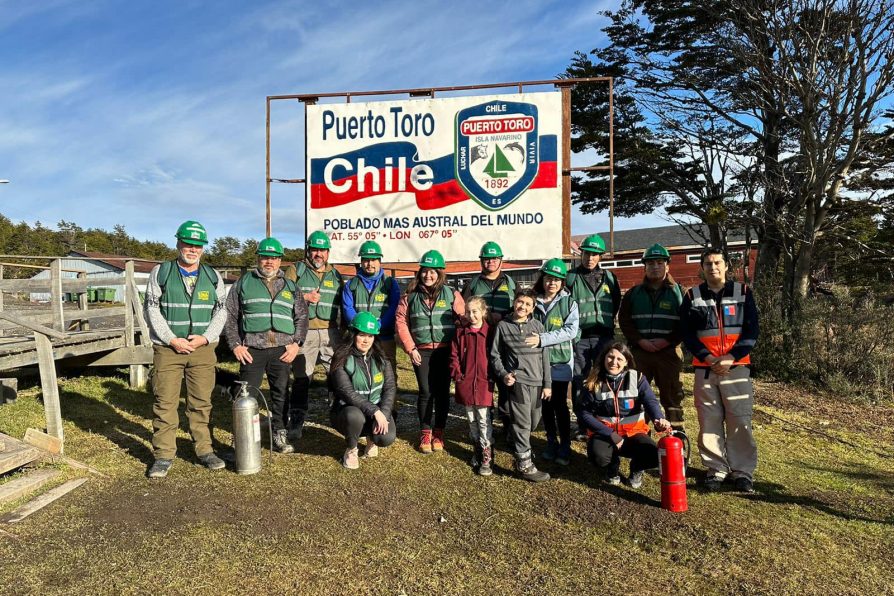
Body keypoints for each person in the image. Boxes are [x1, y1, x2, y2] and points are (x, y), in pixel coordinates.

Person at [144, 220, 228, 479]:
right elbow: (152, 309)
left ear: (203, 248)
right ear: (178, 243)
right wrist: (171, 339)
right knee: (165, 402)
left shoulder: (213, 276)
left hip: (202, 349)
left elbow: (221, 310)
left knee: (201, 402)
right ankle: (163, 455)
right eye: (188, 244)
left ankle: (204, 449)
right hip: (168, 349)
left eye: (197, 246)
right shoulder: (162, 272)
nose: (192, 249)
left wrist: (205, 337)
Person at [680, 248, 759, 493]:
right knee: (709, 421)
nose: (712, 267)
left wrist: (730, 357)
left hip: (735, 368)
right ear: (702, 268)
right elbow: (687, 334)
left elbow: (751, 331)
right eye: (707, 263)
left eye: (717, 263)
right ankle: (715, 469)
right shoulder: (692, 296)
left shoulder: (743, 292)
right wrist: (709, 357)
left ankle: (742, 472)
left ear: (726, 266)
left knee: (739, 420)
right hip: (705, 370)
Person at [224, 237, 309, 453]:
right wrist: (235, 345)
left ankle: (279, 433)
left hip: (282, 350)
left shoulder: (291, 287)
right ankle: (243, 437)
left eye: (274, 258)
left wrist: (296, 344)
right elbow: (230, 315)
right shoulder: (243, 283)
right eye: (265, 257)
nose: (269, 262)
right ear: (258, 259)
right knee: (246, 393)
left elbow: (302, 317)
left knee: (281, 393)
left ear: (280, 260)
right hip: (252, 349)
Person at [396, 250, 465, 454]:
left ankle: (439, 433)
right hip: (421, 352)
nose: (428, 276)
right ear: (420, 273)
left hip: (445, 352)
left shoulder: (452, 294)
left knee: (443, 393)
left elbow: (462, 318)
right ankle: (425, 432)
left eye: (433, 272)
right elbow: (401, 322)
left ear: (440, 273)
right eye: (425, 271)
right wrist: (411, 348)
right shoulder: (410, 296)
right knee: (426, 392)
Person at [577, 341, 671, 488]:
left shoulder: (637, 378)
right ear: (604, 358)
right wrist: (610, 434)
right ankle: (612, 467)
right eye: (610, 357)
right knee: (599, 457)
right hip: (605, 434)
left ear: (626, 361)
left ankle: (637, 469)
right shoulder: (593, 381)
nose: (614, 362)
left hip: (634, 433)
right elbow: (584, 413)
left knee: (653, 454)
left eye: (619, 359)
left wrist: (659, 418)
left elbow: (650, 401)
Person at [618, 243, 686, 431]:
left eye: (659, 262)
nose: (655, 266)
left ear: (667, 265)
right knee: (635, 395)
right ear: (645, 267)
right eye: (650, 263)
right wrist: (640, 341)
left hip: (669, 353)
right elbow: (624, 321)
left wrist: (668, 341)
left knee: (672, 397)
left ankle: (677, 438)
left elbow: (686, 323)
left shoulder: (680, 293)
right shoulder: (633, 294)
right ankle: (638, 437)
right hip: (640, 353)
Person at [284, 230, 343, 441]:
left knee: (337, 376)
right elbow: (281, 296)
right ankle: (296, 422)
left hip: (331, 332)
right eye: (315, 249)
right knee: (302, 378)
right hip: (304, 332)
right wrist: (303, 297)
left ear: (328, 253)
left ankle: (339, 419)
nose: (318, 254)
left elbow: (342, 303)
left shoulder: (335, 274)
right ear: (308, 250)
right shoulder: (295, 270)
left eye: (322, 250)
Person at [490, 288, 552, 482]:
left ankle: (513, 438)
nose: (522, 306)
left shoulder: (538, 326)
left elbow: (545, 356)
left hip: (538, 383)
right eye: (519, 302)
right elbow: (495, 355)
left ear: (533, 308)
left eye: (527, 304)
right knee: (522, 423)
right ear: (514, 302)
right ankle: (523, 464)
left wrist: (547, 384)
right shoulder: (503, 326)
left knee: (533, 422)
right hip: (519, 383)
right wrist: (504, 374)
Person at [566, 233, 621, 438]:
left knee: (605, 379)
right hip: (580, 338)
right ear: (582, 254)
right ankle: (582, 424)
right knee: (580, 380)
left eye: (595, 254)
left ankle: (601, 422)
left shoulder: (609, 277)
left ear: (600, 256)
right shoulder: (571, 278)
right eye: (587, 253)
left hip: (604, 338)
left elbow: (615, 303)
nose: (590, 258)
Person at [527, 259, 579, 466]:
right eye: (549, 278)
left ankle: (565, 444)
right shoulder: (533, 301)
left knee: (559, 405)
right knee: (545, 406)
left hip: (560, 363)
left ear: (562, 282)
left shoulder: (569, 303)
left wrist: (543, 339)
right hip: (538, 364)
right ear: (543, 279)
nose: (552, 283)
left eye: (557, 280)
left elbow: (571, 331)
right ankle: (551, 441)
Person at [328, 312, 397, 470]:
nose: (366, 340)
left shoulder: (381, 358)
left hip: (375, 410)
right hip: (348, 411)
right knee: (354, 416)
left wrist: (384, 414)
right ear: (353, 334)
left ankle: (372, 439)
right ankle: (351, 449)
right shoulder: (341, 358)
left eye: (371, 336)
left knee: (386, 438)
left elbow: (390, 387)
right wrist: (375, 412)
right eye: (362, 335)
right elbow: (346, 391)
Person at [461, 241, 516, 433]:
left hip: (505, 342)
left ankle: (508, 425)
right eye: (487, 258)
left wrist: (503, 318)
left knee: (505, 383)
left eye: (494, 258)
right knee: (484, 381)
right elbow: (463, 312)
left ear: (501, 260)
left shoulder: (510, 283)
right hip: (480, 341)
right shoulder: (472, 284)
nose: (490, 262)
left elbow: (519, 309)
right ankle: (486, 423)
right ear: (481, 261)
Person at [449, 296, 495, 476]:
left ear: (483, 312)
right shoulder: (461, 333)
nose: (471, 315)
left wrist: (491, 376)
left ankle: (486, 451)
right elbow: (454, 356)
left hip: (484, 384)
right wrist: (458, 375)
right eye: (468, 312)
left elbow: (495, 356)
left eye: (475, 311)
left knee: (484, 419)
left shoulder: (490, 332)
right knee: (471, 418)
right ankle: (476, 446)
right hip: (466, 383)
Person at [342, 240, 401, 372]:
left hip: (384, 336)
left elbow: (394, 308)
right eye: (366, 260)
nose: (370, 264)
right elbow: (347, 309)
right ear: (361, 261)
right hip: (360, 338)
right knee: (359, 371)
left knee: (388, 371)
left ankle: (390, 394)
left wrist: (378, 325)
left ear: (380, 261)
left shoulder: (390, 283)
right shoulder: (351, 284)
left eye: (374, 260)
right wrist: (362, 328)